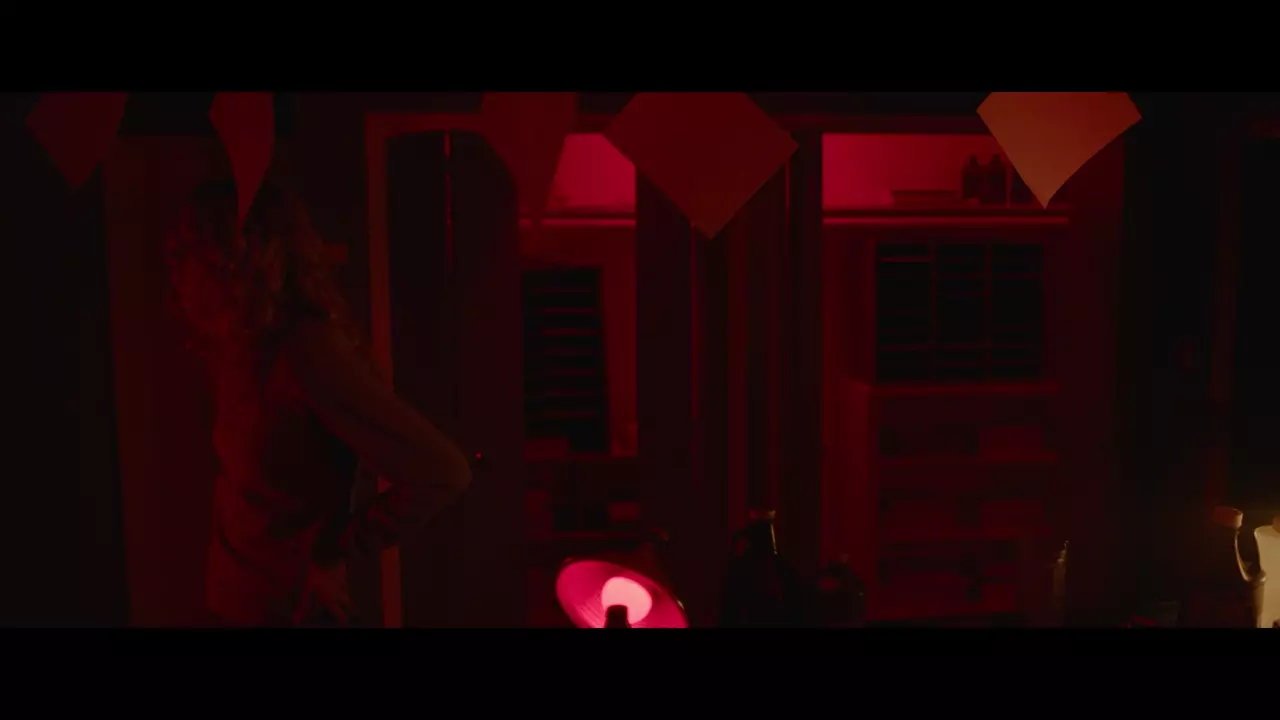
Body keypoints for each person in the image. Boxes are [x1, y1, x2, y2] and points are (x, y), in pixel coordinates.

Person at [167, 181, 472, 627]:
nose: (176, 268)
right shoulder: (244, 346)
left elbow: (443, 470)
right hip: (235, 607)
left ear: (235, 258)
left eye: (189, 251)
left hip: (286, 615)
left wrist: (336, 549)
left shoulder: (306, 350)